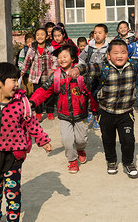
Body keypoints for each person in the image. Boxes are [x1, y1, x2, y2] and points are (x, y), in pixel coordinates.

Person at [69, 40, 138, 178]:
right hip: (105, 112)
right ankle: (111, 161)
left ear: (128, 54)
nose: (120, 56)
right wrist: (77, 69)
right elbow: (89, 67)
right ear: (108, 55)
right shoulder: (103, 68)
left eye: (123, 52)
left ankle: (128, 163)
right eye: (116, 53)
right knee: (108, 139)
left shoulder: (134, 65)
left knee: (128, 140)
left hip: (125, 113)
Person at [0, 62, 53, 222]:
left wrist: (43, 140)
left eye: (16, 80)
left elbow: (32, 123)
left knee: (13, 197)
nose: (16, 84)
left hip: (14, 156)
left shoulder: (22, 102)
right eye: (12, 80)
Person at [30, 45, 98, 173]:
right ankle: (72, 161)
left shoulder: (82, 74)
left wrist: (95, 110)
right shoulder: (55, 76)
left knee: (81, 139)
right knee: (67, 140)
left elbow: (91, 94)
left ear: (73, 58)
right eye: (59, 57)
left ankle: (80, 149)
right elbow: (44, 90)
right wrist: (32, 102)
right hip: (63, 115)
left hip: (81, 114)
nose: (62, 59)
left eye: (65, 56)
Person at [21, 28, 58, 121]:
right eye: (37, 35)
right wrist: (23, 71)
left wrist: (53, 69)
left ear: (46, 37)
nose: (40, 36)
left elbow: (55, 60)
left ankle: (50, 112)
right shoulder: (32, 48)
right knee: (37, 94)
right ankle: (38, 112)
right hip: (36, 76)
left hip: (48, 76)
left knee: (49, 94)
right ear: (35, 37)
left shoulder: (50, 48)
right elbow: (27, 61)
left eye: (42, 34)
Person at [78, 23, 110, 130]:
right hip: (88, 77)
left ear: (106, 34)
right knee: (87, 96)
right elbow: (81, 59)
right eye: (95, 33)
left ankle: (97, 119)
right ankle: (90, 112)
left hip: (102, 78)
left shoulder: (109, 47)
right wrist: (80, 69)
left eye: (100, 33)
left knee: (99, 98)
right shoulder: (89, 47)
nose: (97, 35)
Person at [17, 33, 35, 97]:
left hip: (32, 73)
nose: (29, 44)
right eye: (28, 42)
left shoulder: (35, 50)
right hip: (25, 73)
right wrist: (21, 69)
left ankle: (30, 99)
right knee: (25, 87)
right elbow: (20, 61)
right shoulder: (23, 51)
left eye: (31, 42)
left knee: (31, 89)